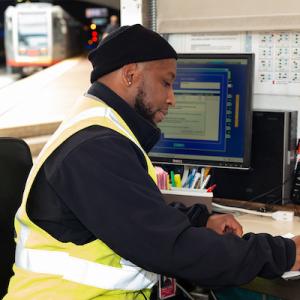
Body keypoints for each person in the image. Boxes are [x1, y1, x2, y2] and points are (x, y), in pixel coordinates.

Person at [4, 24, 300, 300]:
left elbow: (136, 212)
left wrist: (202, 220)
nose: (172, 98)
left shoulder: (101, 128)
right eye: (166, 83)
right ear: (130, 74)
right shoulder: (95, 147)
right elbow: (171, 248)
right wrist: (284, 254)